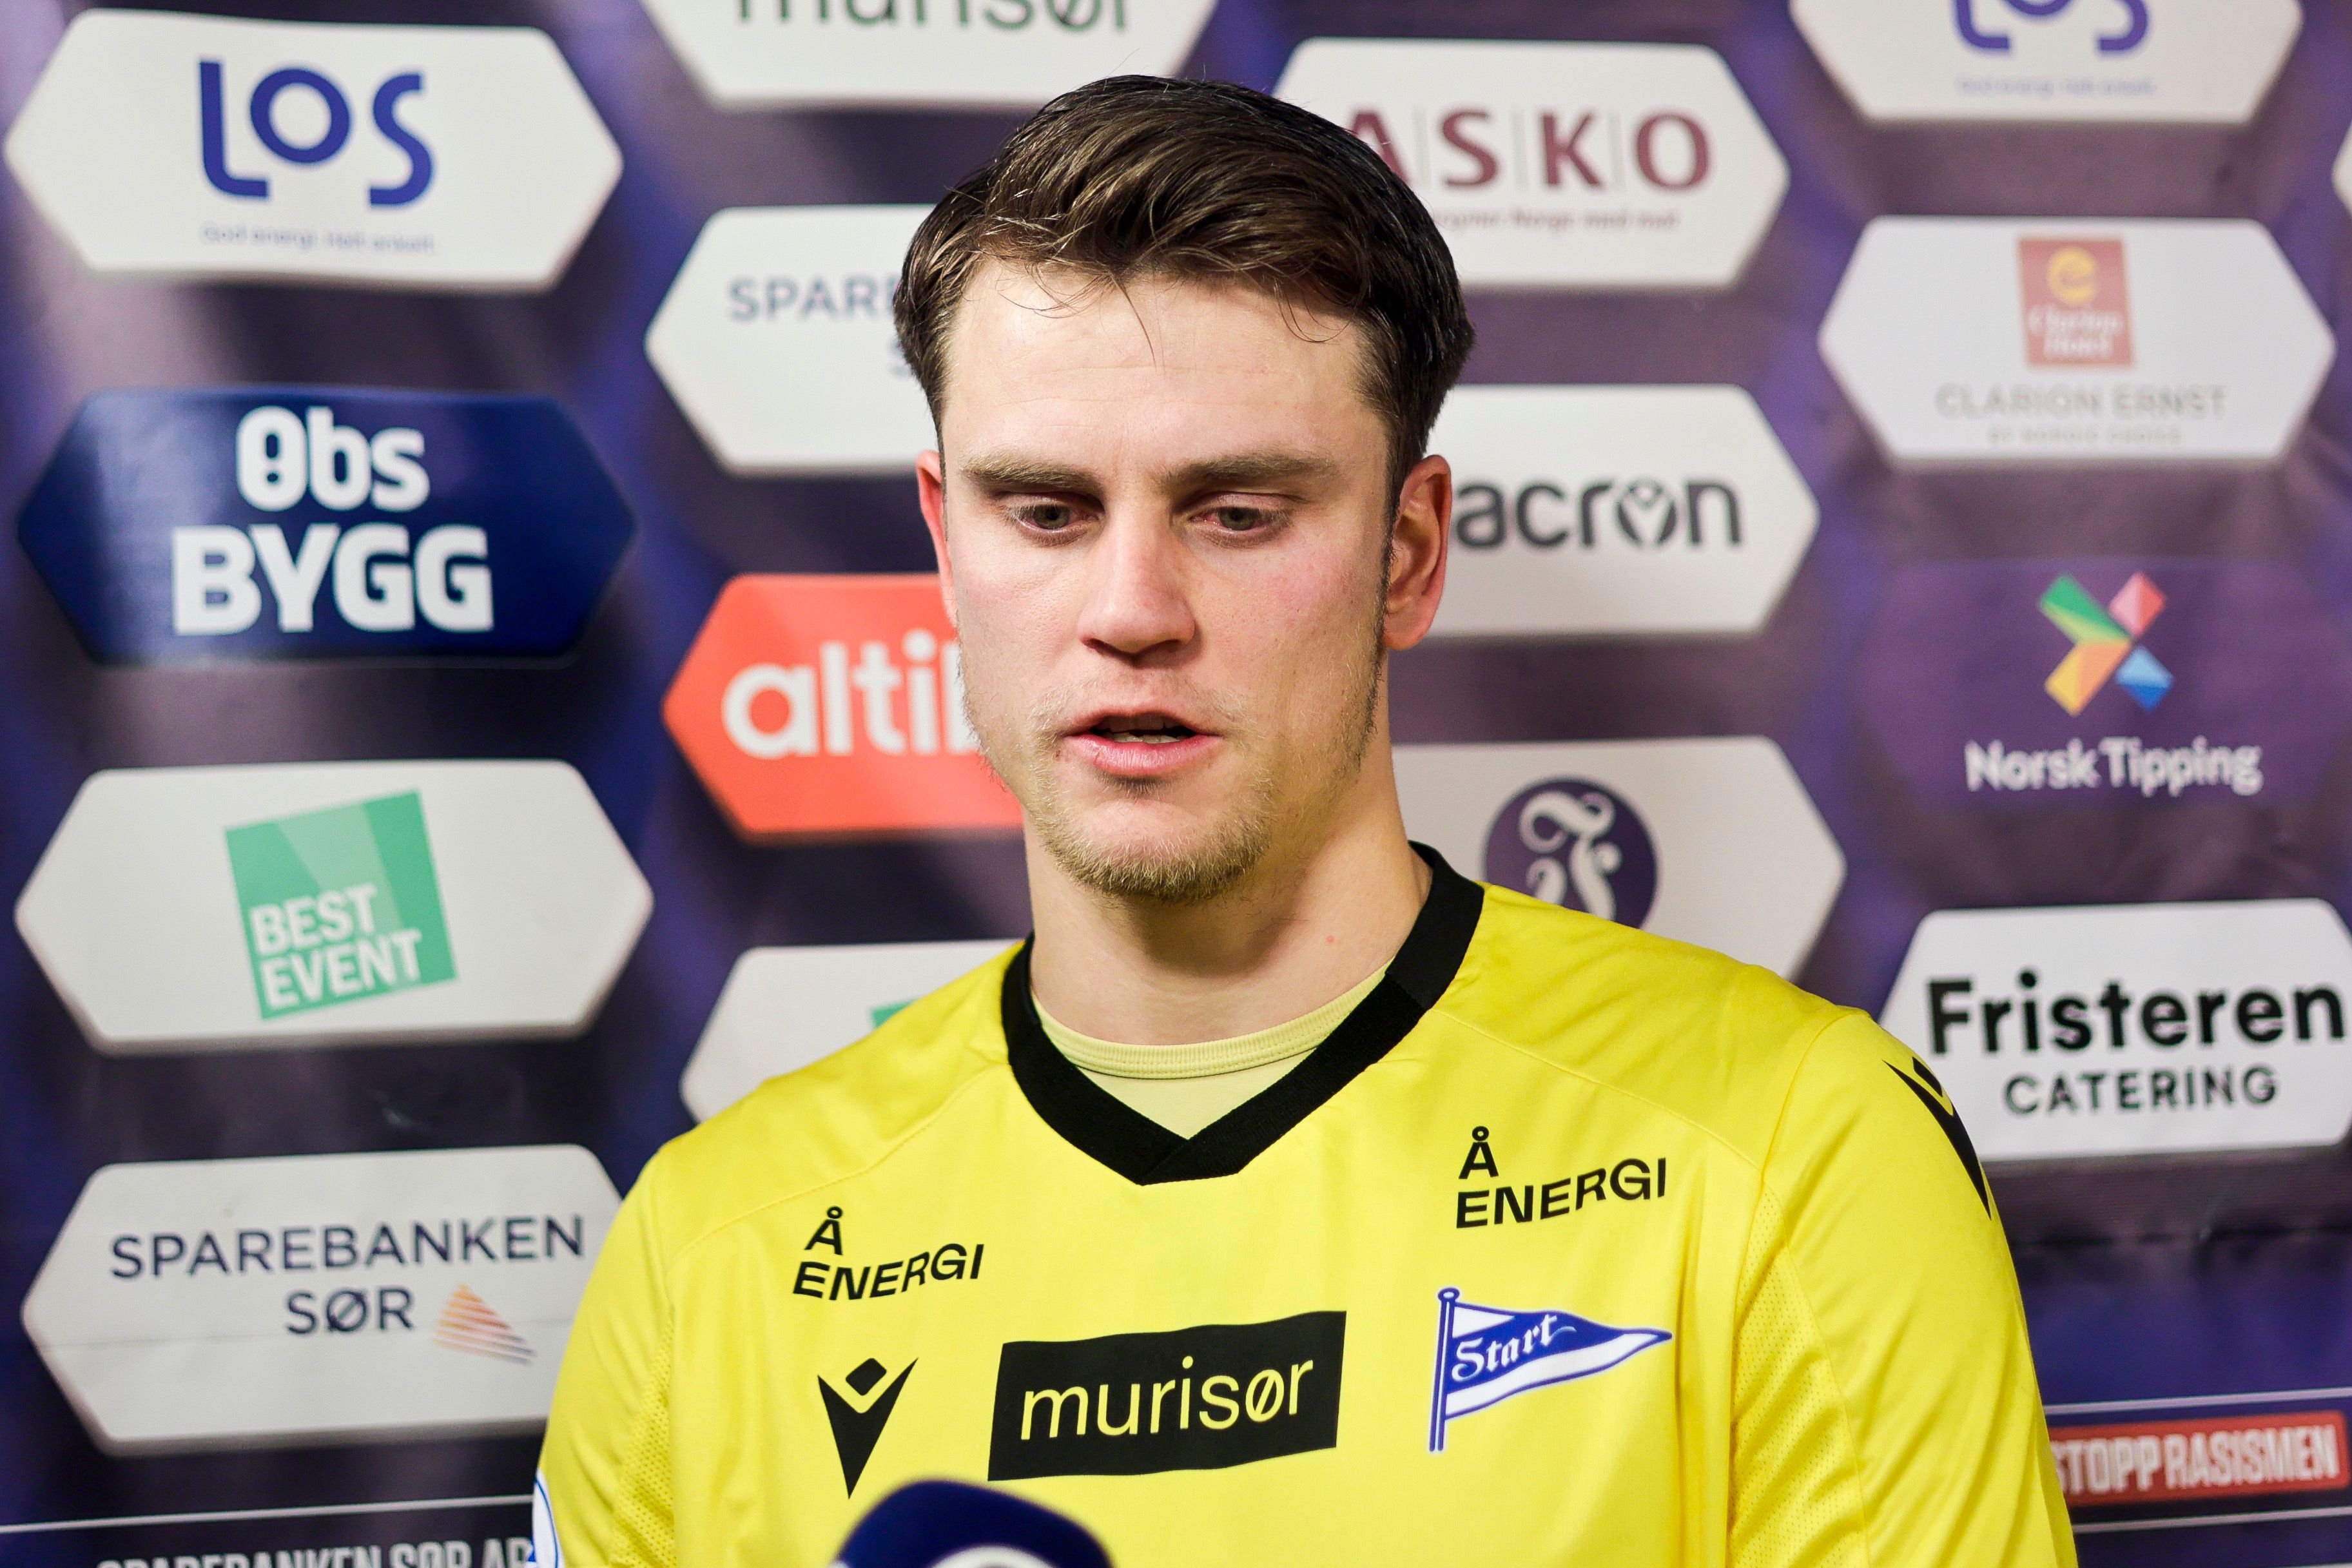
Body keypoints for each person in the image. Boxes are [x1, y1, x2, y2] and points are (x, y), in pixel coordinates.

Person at [537, 75, 2075, 1568]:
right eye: (1046, 511)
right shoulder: (708, 1248)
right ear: (946, 544)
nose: (1132, 610)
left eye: (1237, 512)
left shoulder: (1793, 1153)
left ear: (1408, 554)